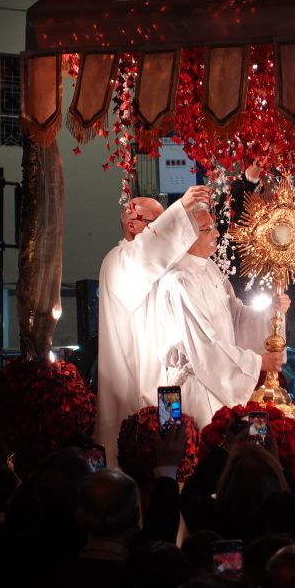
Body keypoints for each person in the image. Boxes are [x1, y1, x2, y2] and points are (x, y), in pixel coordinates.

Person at [96, 184, 210, 464]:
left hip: (168, 380)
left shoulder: (157, 263)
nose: (166, 230)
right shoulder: (120, 261)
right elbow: (149, 252)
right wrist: (180, 208)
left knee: (172, 455)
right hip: (138, 379)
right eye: (157, 223)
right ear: (133, 225)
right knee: (142, 458)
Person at [155, 206, 288, 428]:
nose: (216, 234)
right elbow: (204, 344)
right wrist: (257, 362)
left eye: (214, 227)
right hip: (194, 386)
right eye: (208, 229)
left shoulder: (210, 269)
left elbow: (235, 317)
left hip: (216, 380)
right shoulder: (178, 281)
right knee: (197, 454)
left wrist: (271, 314)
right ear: (186, 236)